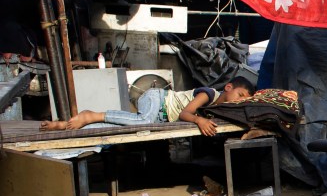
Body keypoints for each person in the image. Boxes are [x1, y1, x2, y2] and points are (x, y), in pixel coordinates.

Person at [40, 76, 255, 136]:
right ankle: (90, 115)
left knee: (122, 127)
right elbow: (184, 113)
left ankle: (63, 125)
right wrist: (199, 119)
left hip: (159, 115)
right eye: (240, 94)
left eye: (244, 99)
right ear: (228, 87)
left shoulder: (219, 107)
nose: (240, 100)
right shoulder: (208, 94)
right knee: (142, 121)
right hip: (156, 98)